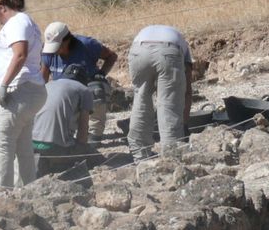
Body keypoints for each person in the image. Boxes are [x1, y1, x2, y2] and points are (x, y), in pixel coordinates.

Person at [0, 0, 47, 188]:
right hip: (31, 89)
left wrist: (4, 84)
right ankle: (26, 189)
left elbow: (20, 54)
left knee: (0, 144)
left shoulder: (15, 23)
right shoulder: (27, 22)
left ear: (2, 8)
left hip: (20, 90)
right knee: (22, 145)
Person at [41, 22, 118, 142]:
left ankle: (94, 135)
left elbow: (112, 56)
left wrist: (101, 74)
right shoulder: (48, 52)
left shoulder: (87, 45)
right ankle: (66, 134)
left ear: (67, 40)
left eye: (57, 46)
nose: (54, 51)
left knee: (97, 88)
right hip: (65, 94)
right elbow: (43, 79)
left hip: (88, 89)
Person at [127, 24, 193, 159]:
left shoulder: (170, 35)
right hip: (168, 51)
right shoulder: (184, 48)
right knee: (169, 102)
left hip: (138, 51)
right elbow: (187, 92)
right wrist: (184, 125)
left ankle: (139, 154)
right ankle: (172, 154)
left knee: (140, 98)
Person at [33, 65, 95, 177]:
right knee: (91, 153)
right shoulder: (84, 90)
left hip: (31, 144)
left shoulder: (48, 85)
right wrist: (82, 149)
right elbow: (83, 128)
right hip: (55, 148)